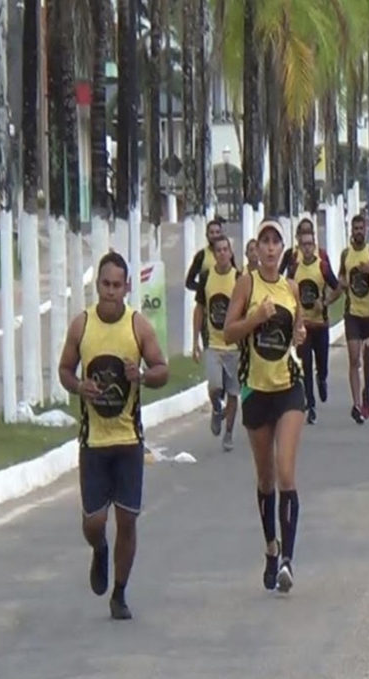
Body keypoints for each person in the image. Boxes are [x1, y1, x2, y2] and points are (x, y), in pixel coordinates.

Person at [58, 252, 170, 620]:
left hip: (127, 441)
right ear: (98, 286)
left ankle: (119, 593)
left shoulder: (138, 327)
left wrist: (142, 375)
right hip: (93, 442)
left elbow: (162, 370)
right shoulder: (82, 325)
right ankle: (99, 550)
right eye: (105, 284)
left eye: (117, 285)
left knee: (127, 520)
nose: (110, 291)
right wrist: (79, 386)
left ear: (127, 287)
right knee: (94, 523)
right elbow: (65, 369)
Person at [223, 219, 307, 594]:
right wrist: (255, 318)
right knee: (265, 478)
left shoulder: (291, 288)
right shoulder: (247, 284)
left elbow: (298, 331)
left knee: (286, 472)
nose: (271, 248)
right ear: (256, 249)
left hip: (288, 387)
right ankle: (271, 548)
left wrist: (299, 334)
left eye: (276, 242)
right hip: (255, 390)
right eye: (265, 242)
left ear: (282, 249)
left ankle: (288, 559)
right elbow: (229, 332)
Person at [289, 227, 341, 425]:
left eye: (310, 244)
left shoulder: (322, 267)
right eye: (304, 245)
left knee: (321, 364)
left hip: (320, 324)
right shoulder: (295, 269)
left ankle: (323, 379)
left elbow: (338, 288)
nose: (307, 248)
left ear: (315, 246)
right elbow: (287, 291)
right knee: (306, 367)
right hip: (304, 325)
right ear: (299, 247)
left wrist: (325, 302)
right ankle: (310, 405)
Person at [193, 236, 241, 450]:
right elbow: (200, 309)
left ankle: (228, 433)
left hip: (235, 346)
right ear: (214, 254)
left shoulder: (239, 278)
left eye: (225, 250)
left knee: (233, 393)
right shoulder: (206, 278)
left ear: (230, 253)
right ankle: (216, 408)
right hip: (213, 344)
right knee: (214, 386)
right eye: (218, 250)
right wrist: (195, 341)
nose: (222, 253)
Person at [340, 214, 369, 423]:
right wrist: (342, 283)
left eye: (361, 228)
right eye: (355, 228)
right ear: (351, 231)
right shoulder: (346, 254)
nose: (358, 232)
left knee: (367, 359)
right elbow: (341, 276)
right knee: (354, 358)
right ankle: (356, 404)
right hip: (352, 314)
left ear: (366, 230)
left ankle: (366, 391)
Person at [185, 218, 226, 291]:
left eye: (217, 232)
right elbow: (189, 282)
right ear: (207, 235)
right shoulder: (201, 255)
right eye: (211, 232)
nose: (215, 235)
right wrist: (204, 289)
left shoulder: (227, 254)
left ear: (221, 234)